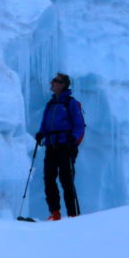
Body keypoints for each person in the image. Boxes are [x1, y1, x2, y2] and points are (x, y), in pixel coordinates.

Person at [35, 72, 85, 220]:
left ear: (62, 85)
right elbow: (45, 124)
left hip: (66, 146)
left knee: (66, 179)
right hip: (51, 145)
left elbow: (79, 126)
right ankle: (55, 212)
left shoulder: (71, 103)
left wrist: (73, 139)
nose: (51, 82)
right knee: (49, 179)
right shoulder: (51, 104)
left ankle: (73, 214)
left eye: (55, 81)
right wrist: (41, 133)